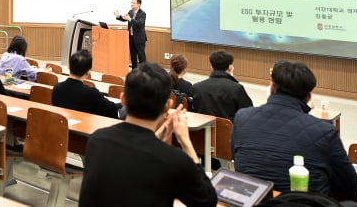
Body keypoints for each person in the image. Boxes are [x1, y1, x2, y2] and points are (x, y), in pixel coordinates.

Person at [79, 63, 217, 206]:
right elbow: (207, 201)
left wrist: (157, 138)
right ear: (167, 106)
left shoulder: (97, 140)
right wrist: (185, 142)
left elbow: (132, 168)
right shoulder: (173, 160)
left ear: (123, 99)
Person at [232, 60, 357, 196]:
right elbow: (350, 185)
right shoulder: (324, 131)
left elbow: (237, 158)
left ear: (271, 88)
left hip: (251, 198)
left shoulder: (242, 117)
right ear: (309, 97)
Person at [52, 50, 121, 119]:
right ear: (88, 72)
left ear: (69, 66)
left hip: (62, 127)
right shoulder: (91, 93)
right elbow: (112, 110)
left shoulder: (56, 88)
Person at [192, 49, 252, 121]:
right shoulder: (236, 88)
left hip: (203, 130)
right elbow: (249, 113)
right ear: (230, 67)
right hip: (228, 131)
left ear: (211, 67)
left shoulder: (197, 87)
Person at [114, 0, 147, 69]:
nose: (131, 4)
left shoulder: (142, 13)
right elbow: (124, 18)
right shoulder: (130, 11)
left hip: (139, 39)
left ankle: (144, 72)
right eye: (131, 2)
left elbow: (140, 23)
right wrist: (118, 16)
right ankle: (134, 72)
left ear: (138, 4)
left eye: (133, 3)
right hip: (131, 38)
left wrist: (130, 19)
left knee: (141, 56)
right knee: (133, 56)